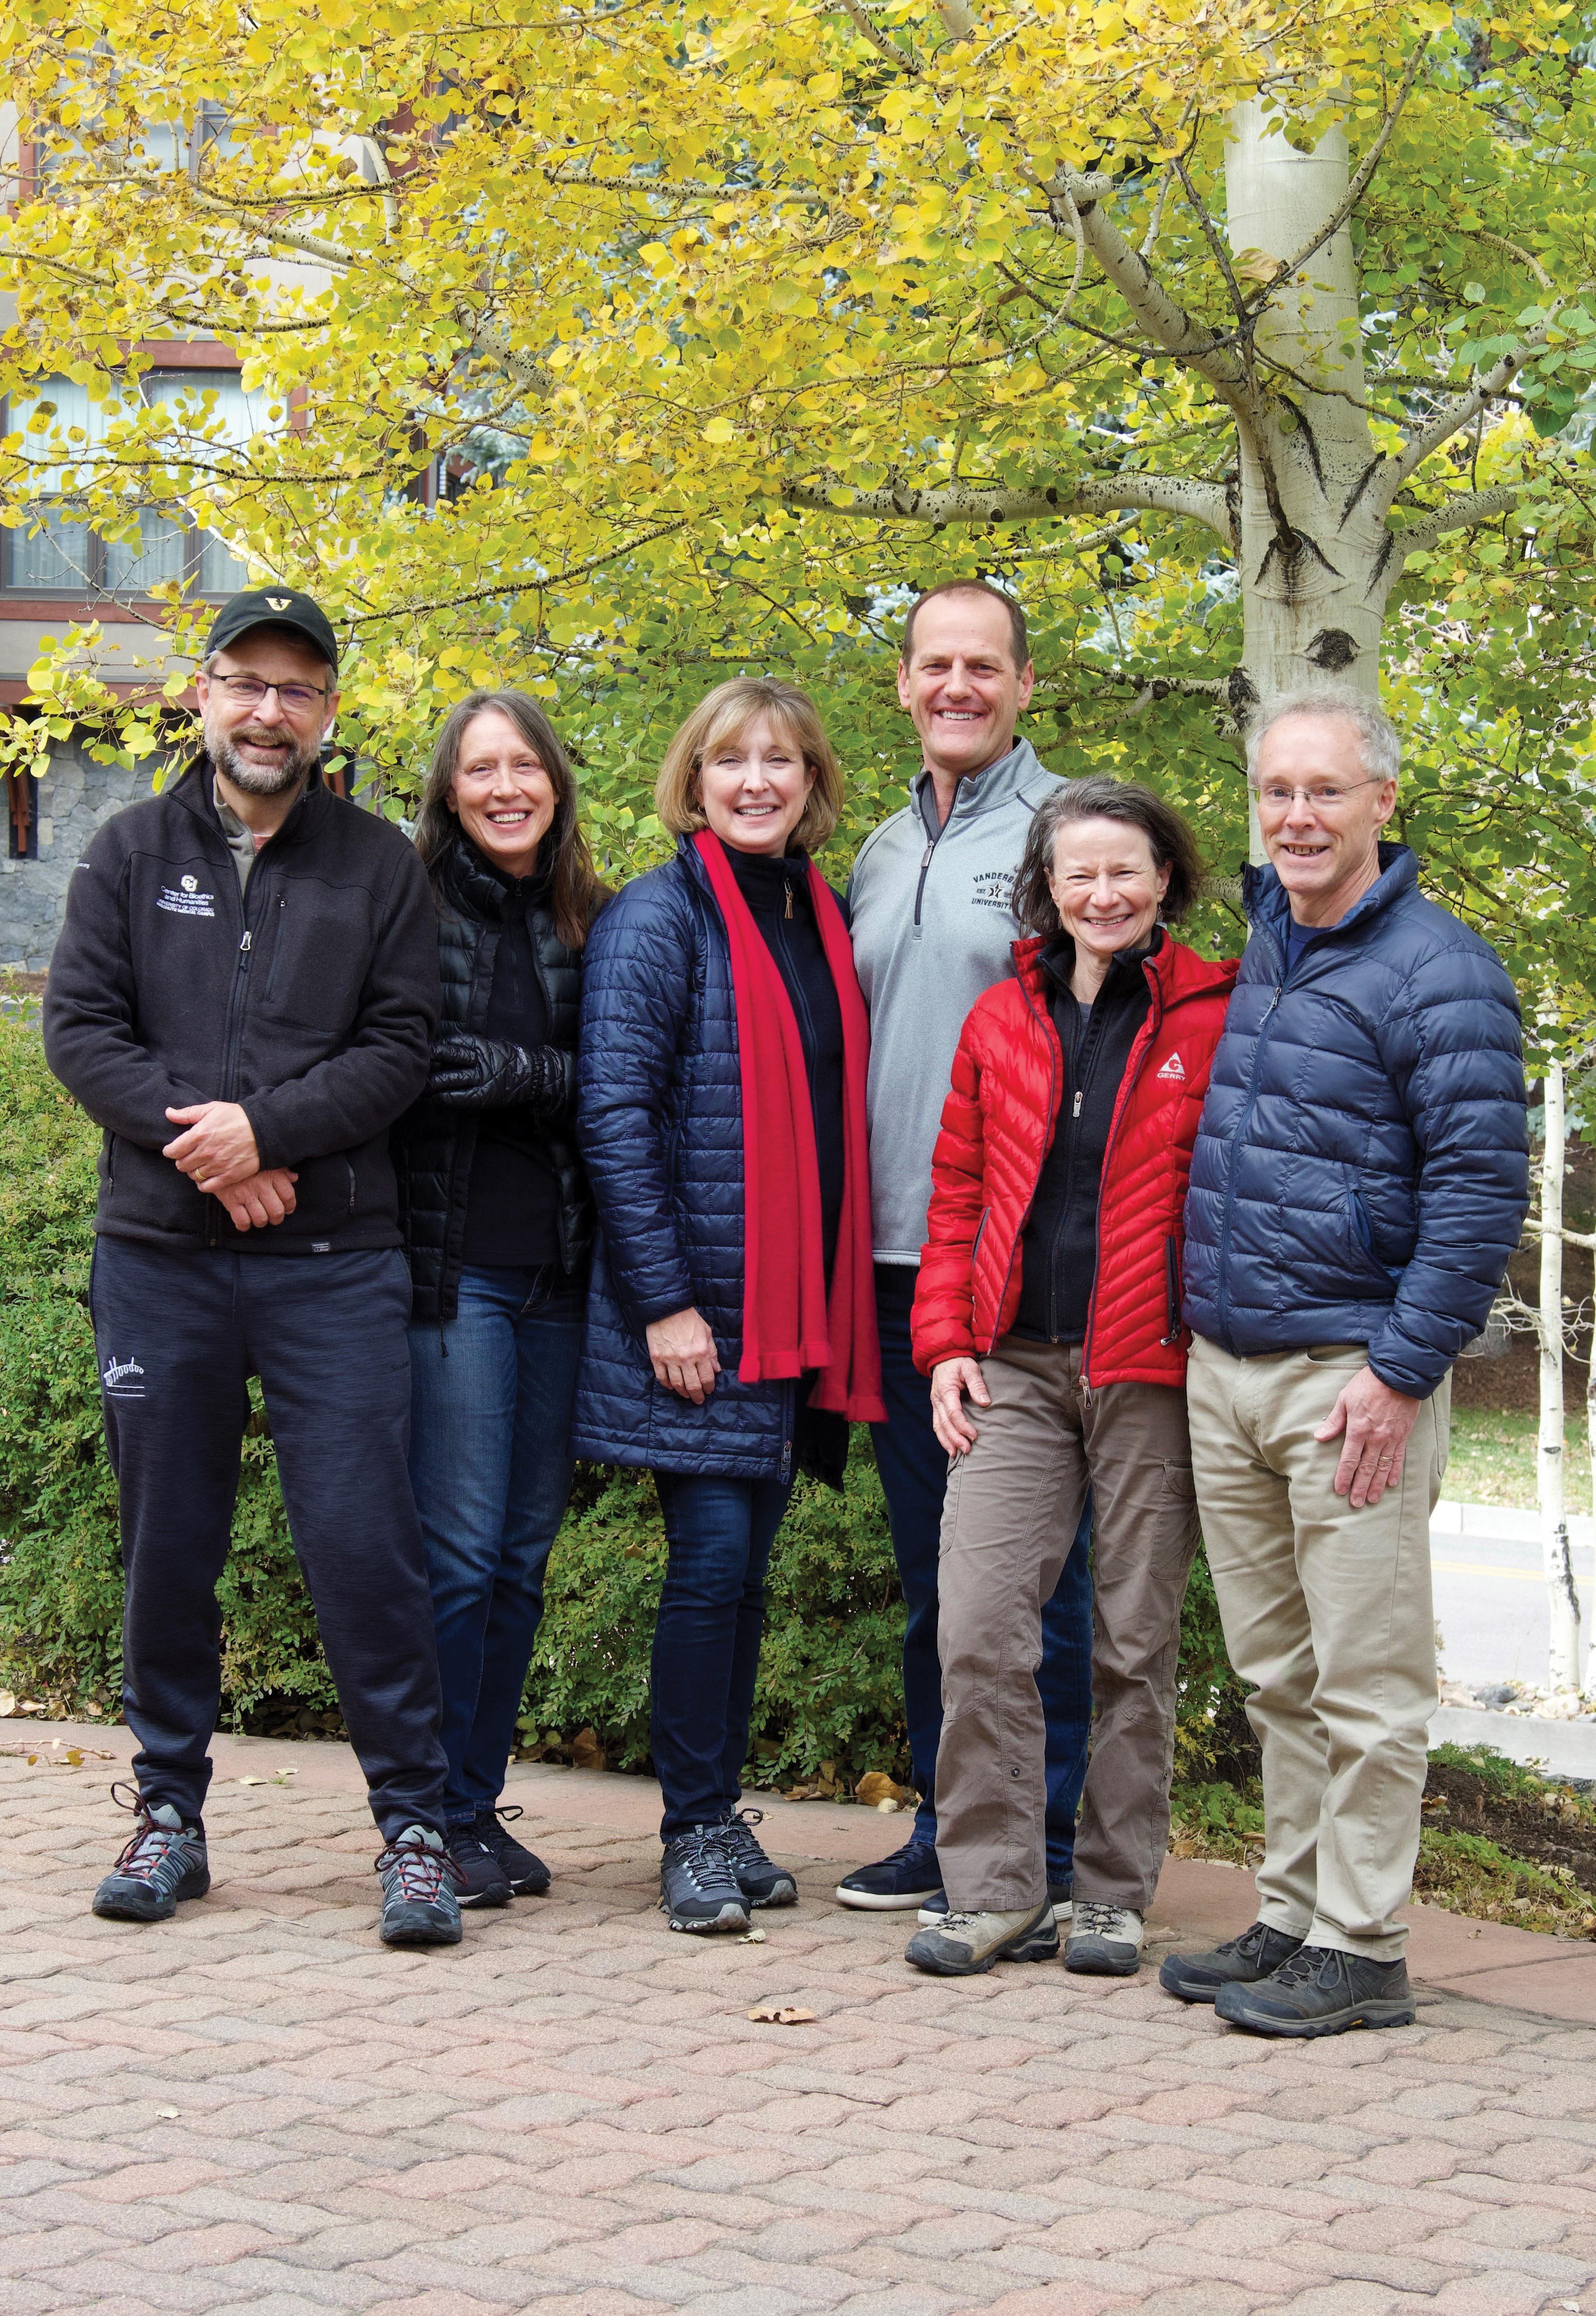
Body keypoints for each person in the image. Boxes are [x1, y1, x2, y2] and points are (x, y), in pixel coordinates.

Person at [43, 585, 462, 1949]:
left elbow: (400, 1048)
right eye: (246, 683)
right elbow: (80, 1033)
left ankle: (414, 1830)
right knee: (168, 1542)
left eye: (296, 689)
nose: (269, 711)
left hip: (332, 1265)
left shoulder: (378, 867)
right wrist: (216, 1154)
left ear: (327, 710)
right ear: (204, 694)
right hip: (160, 1261)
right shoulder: (125, 850)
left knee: (363, 1545)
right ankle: (167, 1812)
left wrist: (267, 1133)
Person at [1162, 687, 1529, 2037]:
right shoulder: (1268, 941)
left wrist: (1397, 1372)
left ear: (1381, 800)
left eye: (1324, 791)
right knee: (1277, 1674)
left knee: (1364, 1685)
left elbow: (1477, 1198)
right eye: (1276, 792)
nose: (1296, 816)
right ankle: (1292, 1914)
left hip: (1349, 1378)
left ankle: (1362, 1947)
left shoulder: (1441, 971)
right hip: (1229, 1366)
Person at [902, 780, 1237, 1977]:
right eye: (1078, 873)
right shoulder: (1001, 1017)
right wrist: (945, 1343)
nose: (1102, 894)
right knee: (978, 1625)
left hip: (1151, 1368)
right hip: (1015, 1368)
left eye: (1124, 871)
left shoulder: (1217, 1013)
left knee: (1133, 1642)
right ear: (1046, 886)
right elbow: (957, 1192)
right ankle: (994, 1888)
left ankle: (1109, 1893)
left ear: (1165, 881)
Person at [573, 677, 884, 1933]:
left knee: (746, 1575)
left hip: (794, 1302)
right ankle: (691, 1832)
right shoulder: (657, 918)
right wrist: (665, 1303)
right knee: (708, 1568)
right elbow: (614, 1114)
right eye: (730, 760)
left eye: (781, 760)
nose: (756, 781)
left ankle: (714, 1811)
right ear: (692, 781)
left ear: (813, 783)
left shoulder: (820, 913)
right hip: (702, 1305)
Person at [838, 580, 1093, 1920]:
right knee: (936, 1580)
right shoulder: (880, 851)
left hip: (1016, 1280)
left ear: (1023, 684)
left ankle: (1046, 1841)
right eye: (933, 665)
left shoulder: (1068, 835)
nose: (956, 687)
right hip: (891, 1271)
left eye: (982, 666)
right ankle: (950, 1827)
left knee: (1033, 1579)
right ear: (901, 685)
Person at [395, 692, 606, 1909]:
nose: (506, 787)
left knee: (522, 1558)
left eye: (526, 764)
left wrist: (521, 1073)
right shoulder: (407, 904)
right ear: (450, 789)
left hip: (558, 1275)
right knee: (463, 1553)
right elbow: (409, 1070)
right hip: (452, 1269)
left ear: (556, 783)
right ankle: (423, 1817)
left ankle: (474, 1808)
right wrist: (542, 1080)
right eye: (482, 769)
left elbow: (619, 1073)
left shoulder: (589, 914)